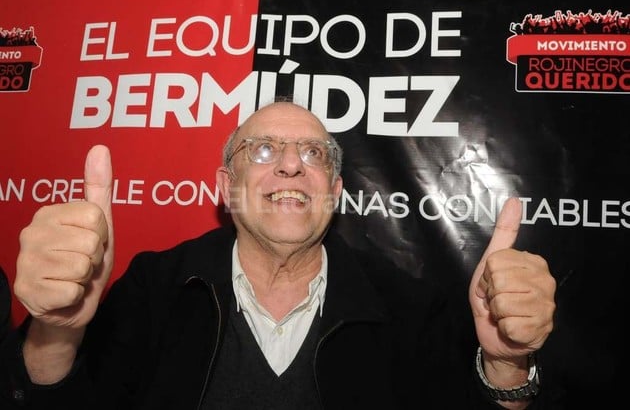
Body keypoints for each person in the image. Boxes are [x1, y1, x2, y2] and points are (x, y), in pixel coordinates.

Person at [0, 101, 556, 409]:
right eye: (263, 150)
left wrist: (506, 363)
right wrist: (55, 335)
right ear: (226, 186)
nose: (291, 165)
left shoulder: (408, 307)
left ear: (333, 191)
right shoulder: (155, 287)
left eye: (313, 154)